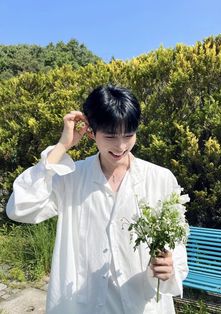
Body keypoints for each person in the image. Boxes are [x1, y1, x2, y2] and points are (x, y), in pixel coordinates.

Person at [6, 85, 188, 314]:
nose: (121, 146)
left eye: (128, 135)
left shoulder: (159, 178)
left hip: (142, 302)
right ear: (91, 132)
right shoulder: (71, 178)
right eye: (110, 136)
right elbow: (20, 208)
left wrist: (171, 266)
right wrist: (62, 146)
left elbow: (177, 238)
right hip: (84, 303)